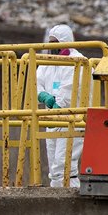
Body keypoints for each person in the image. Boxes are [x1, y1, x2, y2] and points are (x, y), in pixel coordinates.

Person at [35, 23, 86, 187]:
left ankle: (70, 198)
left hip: (73, 119)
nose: (51, 47)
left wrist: (58, 105)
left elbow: (69, 89)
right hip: (51, 119)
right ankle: (57, 198)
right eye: (50, 42)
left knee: (64, 166)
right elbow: (35, 82)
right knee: (54, 169)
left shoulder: (78, 61)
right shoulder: (47, 62)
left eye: (54, 42)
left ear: (65, 41)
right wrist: (43, 96)